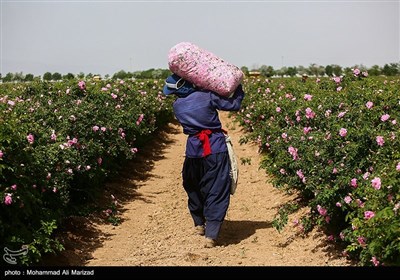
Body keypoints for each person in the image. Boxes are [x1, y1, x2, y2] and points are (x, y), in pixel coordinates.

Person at [162, 73, 245, 248]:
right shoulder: (207, 96)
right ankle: (211, 234)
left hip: (193, 151)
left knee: (193, 185)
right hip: (215, 148)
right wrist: (238, 87)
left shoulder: (178, 106)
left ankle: (199, 223)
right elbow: (234, 105)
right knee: (217, 187)